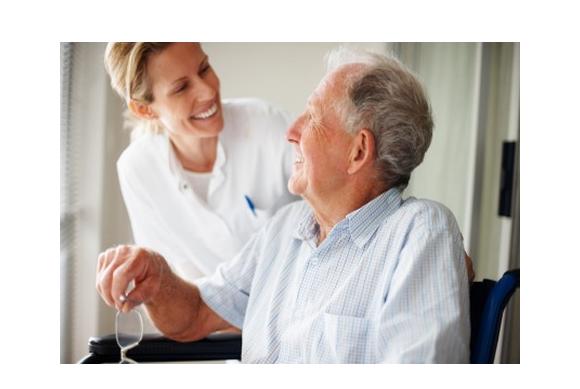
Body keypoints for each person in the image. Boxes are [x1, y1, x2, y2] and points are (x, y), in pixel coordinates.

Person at [96, 48, 470, 363]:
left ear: (358, 151)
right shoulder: (285, 228)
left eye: (313, 117)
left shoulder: (419, 233)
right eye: (180, 86)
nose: (291, 132)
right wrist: (157, 278)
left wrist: (443, 259)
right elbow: (194, 314)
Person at [104, 42, 298, 282]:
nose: (208, 91)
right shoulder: (138, 169)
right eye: (182, 88)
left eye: (204, 68)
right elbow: (170, 280)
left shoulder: (265, 123)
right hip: (216, 315)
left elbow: (335, 198)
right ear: (144, 110)